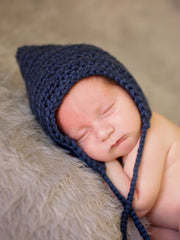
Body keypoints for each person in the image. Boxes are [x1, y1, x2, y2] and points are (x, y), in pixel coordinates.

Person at [16, 44, 180, 240]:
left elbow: (137, 202)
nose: (104, 133)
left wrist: (103, 163)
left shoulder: (155, 131)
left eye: (107, 110)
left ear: (129, 89)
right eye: (83, 135)